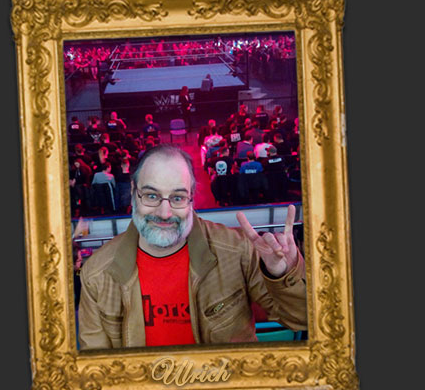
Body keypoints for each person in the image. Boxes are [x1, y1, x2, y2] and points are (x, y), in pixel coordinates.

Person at [78, 145, 307, 349]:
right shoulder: (96, 273)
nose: (164, 213)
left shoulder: (238, 250)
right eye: (151, 196)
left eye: (177, 198)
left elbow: (303, 318)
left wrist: (283, 274)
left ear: (192, 199)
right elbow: (96, 367)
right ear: (133, 192)